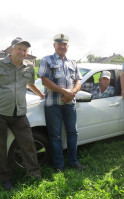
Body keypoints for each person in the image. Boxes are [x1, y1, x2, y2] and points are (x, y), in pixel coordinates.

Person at [0, 37, 44, 190]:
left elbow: (30, 84)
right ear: (11, 49)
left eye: (25, 50)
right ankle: (5, 178)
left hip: (19, 114)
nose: (22, 52)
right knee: (0, 147)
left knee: (28, 144)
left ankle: (34, 174)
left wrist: (41, 95)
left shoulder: (29, 66)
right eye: (19, 48)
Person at [38, 33, 85, 172]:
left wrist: (73, 93)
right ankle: (59, 165)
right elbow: (44, 80)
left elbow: (78, 81)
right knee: (55, 135)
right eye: (59, 44)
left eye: (64, 44)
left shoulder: (73, 63)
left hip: (70, 104)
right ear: (54, 45)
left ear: (67, 46)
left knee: (73, 133)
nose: (62, 46)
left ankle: (73, 161)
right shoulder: (47, 60)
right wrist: (65, 92)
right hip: (53, 105)